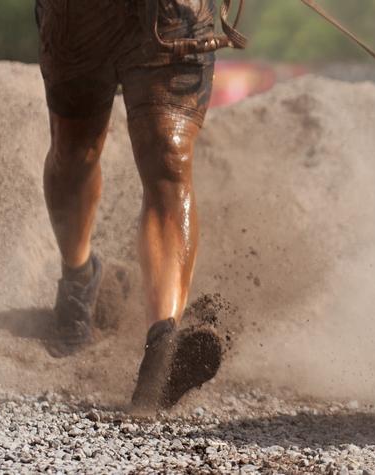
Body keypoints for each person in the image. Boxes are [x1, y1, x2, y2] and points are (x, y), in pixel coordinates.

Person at [35, 0, 243, 411]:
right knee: (75, 151)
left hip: (173, 11)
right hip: (77, 15)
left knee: (169, 154)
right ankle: (79, 278)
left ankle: (162, 350)